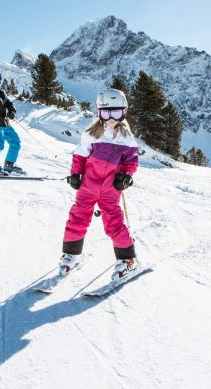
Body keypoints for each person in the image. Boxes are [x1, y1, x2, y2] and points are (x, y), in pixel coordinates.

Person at [61, 88, 139, 281]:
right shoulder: (91, 134)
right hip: (88, 184)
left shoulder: (127, 139)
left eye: (116, 112)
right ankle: (72, 254)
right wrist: (75, 174)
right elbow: (80, 155)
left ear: (124, 111)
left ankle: (127, 259)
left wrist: (125, 176)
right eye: (106, 112)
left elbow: (131, 162)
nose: (111, 117)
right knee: (77, 218)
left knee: (114, 223)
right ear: (99, 112)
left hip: (110, 188)